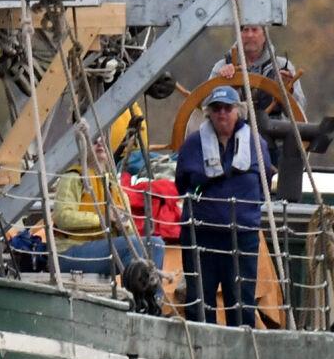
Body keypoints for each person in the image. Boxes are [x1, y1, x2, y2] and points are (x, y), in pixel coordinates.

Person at [175, 85, 273, 327]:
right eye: (216, 109)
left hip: (242, 237)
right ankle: (200, 357)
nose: (222, 114)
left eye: (227, 108)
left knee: (241, 304)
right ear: (208, 113)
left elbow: (264, 181)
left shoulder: (256, 143)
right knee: (200, 304)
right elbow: (182, 183)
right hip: (202, 236)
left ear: (238, 111)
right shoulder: (193, 144)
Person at [51, 137, 165, 275]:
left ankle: (150, 295)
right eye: (93, 140)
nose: (99, 142)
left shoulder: (115, 187)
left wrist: (123, 225)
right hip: (70, 252)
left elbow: (131, 233)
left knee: (156, 244)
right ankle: (135, 291)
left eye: (103, 139)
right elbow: (62, 217)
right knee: (135, 247)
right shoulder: (73, 178)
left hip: (104, 248)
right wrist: (104, 219)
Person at [210, 23, 308, 119]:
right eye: (245, 30)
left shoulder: (282, 67)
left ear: (265, 35)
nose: (249, 35)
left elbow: (299, 110)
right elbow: (206, 107)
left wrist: (288, 92)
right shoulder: (221, 67)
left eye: (254, 30)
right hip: (231, 132)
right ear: (238, 34)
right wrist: (221, 83)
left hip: (274, 133)